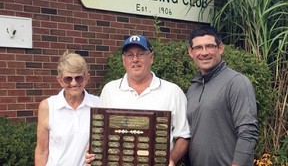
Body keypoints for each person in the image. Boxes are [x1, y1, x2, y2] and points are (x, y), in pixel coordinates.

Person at [85, 34, 190, 166]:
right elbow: (100, 132)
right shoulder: (110, 90)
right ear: (124, 60)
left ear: (151, 58)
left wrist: (171, 160)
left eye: (141, 54)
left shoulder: (173, 92)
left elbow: (183, 136)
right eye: (130, 55)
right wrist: (93, 153)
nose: (135, 59)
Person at [186, 26, 259, 166]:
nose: (204, 52)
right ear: (191, 52)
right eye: (198, 48)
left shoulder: (237, 82)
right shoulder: (193, 88)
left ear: (220, 48)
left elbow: (248, 132)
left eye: (209, 46)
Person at [34, 51, 100, 166]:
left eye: (78, 78)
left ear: (86, 78)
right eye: (68, 79)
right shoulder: (48, 106)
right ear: (59, 80)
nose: (74, 83)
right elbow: (41, 151)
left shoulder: (98, 104)